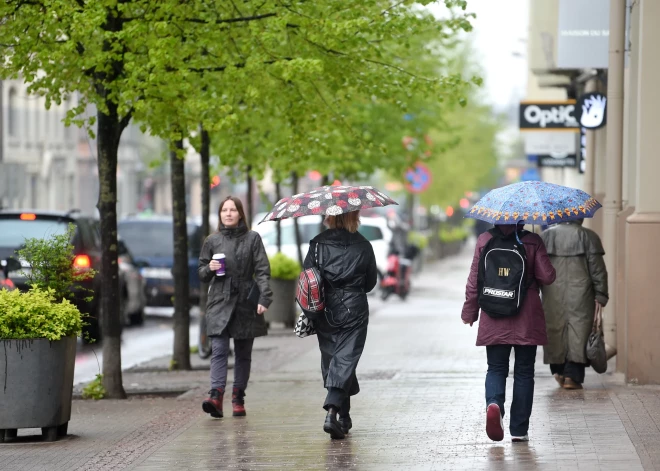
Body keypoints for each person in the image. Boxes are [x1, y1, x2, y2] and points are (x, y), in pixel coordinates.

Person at [461, 223, 556, 442]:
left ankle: (494, 404)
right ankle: (519, 430)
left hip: (493, 314)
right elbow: (548, 277)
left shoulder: (485, 239)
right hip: (527, 316)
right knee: (524, 372)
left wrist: (469, 312)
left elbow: (474, 281)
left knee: (495, 368)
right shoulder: (532, 240)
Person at [303, 210, 378, 439]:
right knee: (346, 358)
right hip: (354, 307)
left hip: (325, 307)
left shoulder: (317, 244)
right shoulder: (364, 244)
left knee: (334, 359)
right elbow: (370, 282)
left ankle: (344, 417)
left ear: (329, 217)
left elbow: (308, 276)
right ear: (354, 216)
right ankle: (333, 411)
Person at [199, 196, 273, 418]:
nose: (228, 214)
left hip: (246, 301)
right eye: (224, 210)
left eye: (232, 210)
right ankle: (216, 395)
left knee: (243, 353)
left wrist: (264, 298)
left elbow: (262, 271)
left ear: (241, 214)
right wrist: (210, 268)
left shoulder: (253, 239)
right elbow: (202, 274)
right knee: (219, 350)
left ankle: (238, 397)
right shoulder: (212, 241)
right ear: (220, 214)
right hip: (219, 300)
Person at [540, 219, 608, 390]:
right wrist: (601, 294)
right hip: (582, 294)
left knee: (554, 329)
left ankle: (559, 371)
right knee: (580, 332)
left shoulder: (545, 236)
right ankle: (572, 375)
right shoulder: (589, 236)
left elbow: (537, 268)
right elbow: (598, 269)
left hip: (552, 293)